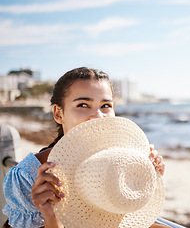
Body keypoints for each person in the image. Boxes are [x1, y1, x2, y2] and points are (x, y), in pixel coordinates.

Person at [2, 67, 166, 228]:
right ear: (58, 114)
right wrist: (52, 218)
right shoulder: (27, 176)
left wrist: (146, 178)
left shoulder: (122, 160)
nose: (98, 116)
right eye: (83, 105)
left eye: (106, 106)